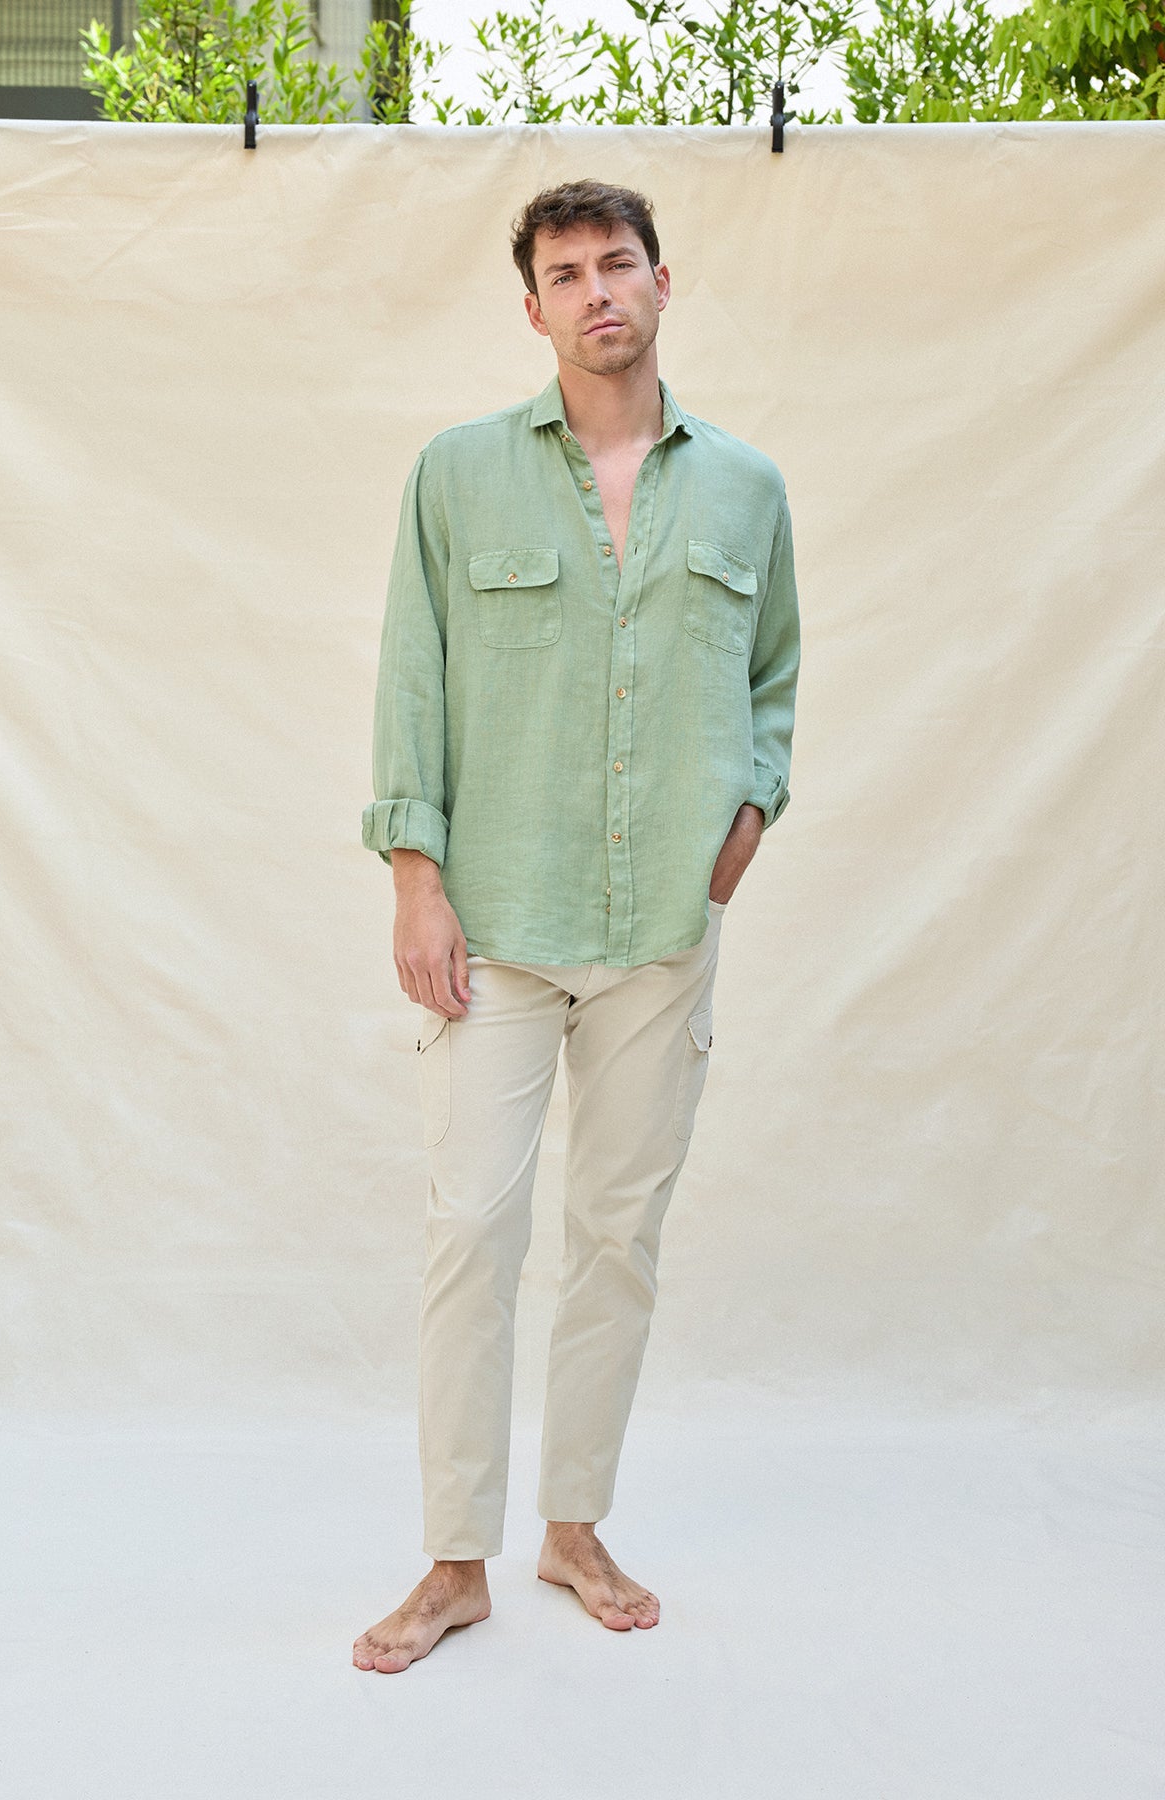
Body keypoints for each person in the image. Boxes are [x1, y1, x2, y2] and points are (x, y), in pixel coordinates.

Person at [353, 178, 801, 1673]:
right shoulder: (456, 474)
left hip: (666, 928)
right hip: (494, 922)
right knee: (471, 1232)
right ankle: (453, 1561)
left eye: (620, 264)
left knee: (618, 1237)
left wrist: (753, 810)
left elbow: (774, 677)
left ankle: (575, 1527)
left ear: (664, 283)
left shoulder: (747, 490)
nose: (597, 290)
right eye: (566, 272)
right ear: (533, 306)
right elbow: (413, 678)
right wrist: (415, 876)